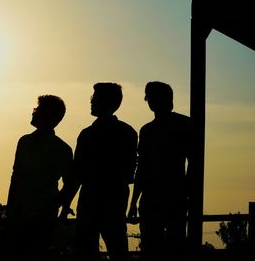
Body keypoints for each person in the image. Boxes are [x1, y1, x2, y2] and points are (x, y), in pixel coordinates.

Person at [60, 83, 137, 261]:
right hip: (114, 199)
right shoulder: (128, 133)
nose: (92, 101)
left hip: (93, 199)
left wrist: (65, 203)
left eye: (96, 98)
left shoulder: (88, 134)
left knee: (90, 250)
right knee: (117, 249)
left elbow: (77, 174)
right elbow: (128, 171)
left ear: (108, 102)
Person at [127, 82, 191, 261]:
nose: (151, 101)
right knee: (155, 246)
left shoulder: (182, 124)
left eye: (153, 96)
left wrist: (187, 192)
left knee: (170, 246)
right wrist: (134, 202)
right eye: (150, 97)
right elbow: (142, 167)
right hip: (157, 197)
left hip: (172, 196)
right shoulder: (147, 130)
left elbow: (193, 161)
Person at [6, 95, 74, 261]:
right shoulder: (24, 141)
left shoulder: (61, 149)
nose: (34, 112)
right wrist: (10, 211)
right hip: (19, 214)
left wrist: (52, 205)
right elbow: (15, 178)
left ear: (50, 116)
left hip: (41, 218)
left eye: (38, 109)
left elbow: (70, 184)